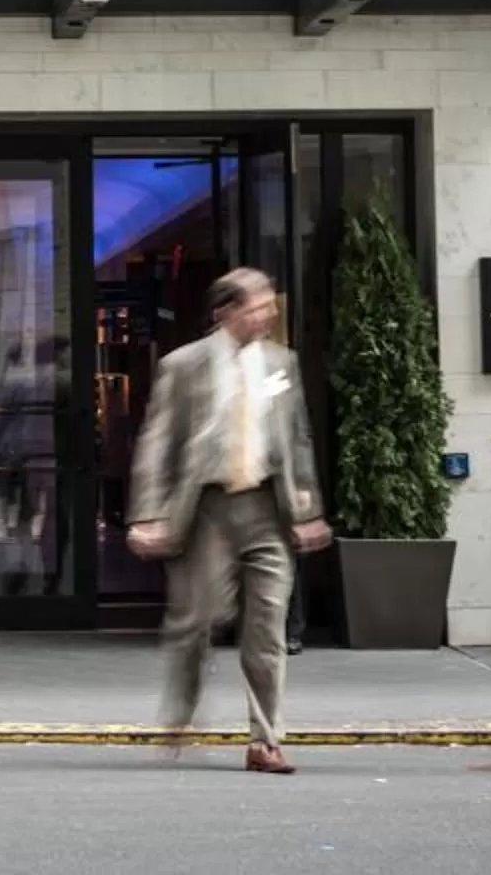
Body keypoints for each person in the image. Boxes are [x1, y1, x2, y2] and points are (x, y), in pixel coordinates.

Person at [130, 266, 332, 775]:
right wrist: (148, 514)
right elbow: (157, 443)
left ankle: (266, 740)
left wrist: (307, 511)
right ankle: (181, 710)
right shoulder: (184, 365)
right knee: (196, 620)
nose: (268, 313)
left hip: (267, 509)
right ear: (226, 312)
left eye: (270, 305)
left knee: (267, 628)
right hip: (207, 512)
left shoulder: (282, 362)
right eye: (257, 305)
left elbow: (298, 440)